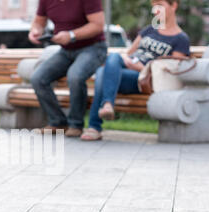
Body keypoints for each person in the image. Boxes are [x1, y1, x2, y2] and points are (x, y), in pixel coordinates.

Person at [81, 0, 190, 141]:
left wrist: (140, 67)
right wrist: (129, 61)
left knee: (103, 73)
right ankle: (106, 106)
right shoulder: (149, 30)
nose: (156, 11)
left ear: (174, 5)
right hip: (124, 72)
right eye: (154, 7)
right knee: (112, 60)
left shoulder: (181, 39)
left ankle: (95, 125)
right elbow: (129, 53)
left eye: (160, 6)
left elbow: (170, 70)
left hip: (144, 79)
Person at [29, 0, 107, 137]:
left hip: (93, 48)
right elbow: (38, 22)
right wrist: (35, 31)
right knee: (38, 78)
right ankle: (58, 122)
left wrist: (71, 35)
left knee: (75, 76)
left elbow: (98, 25)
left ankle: (76, 124)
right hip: (65, 51)